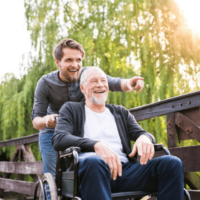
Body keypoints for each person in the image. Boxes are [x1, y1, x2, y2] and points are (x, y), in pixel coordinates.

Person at [30, 39, 144, 196]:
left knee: (86, 167)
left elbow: (112, 82)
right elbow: (36, 119)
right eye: (69, 60)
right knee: (55, 179)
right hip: (52, 131)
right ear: (58, 62)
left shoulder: (88, 75)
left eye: (78, 60)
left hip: (79, 130)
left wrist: (129, 83)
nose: (75, 65)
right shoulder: (45, 83)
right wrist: (46, 120)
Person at [52, 67, 184, 200]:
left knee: (172, 163)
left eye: (103, 80)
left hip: (125, 171)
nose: (100, 84)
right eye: (93, 81)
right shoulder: (71, 109)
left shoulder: (120, 112)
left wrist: (145, 137)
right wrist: (96, 145)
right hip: (91, 172)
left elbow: (141, 133)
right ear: (82, 88)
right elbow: (59, 139)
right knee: (94, 161)